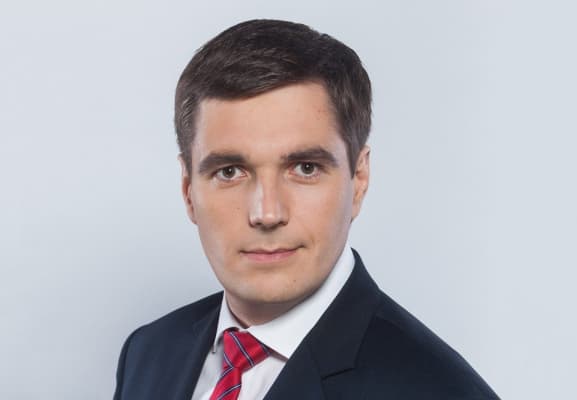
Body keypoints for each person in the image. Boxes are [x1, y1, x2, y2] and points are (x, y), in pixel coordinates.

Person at [113, 19, 499, 400]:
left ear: (359, 179)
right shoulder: (149, 351)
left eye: (305, 169)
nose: (267, 213)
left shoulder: (440, 391)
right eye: (229, 172)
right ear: (188, 190)